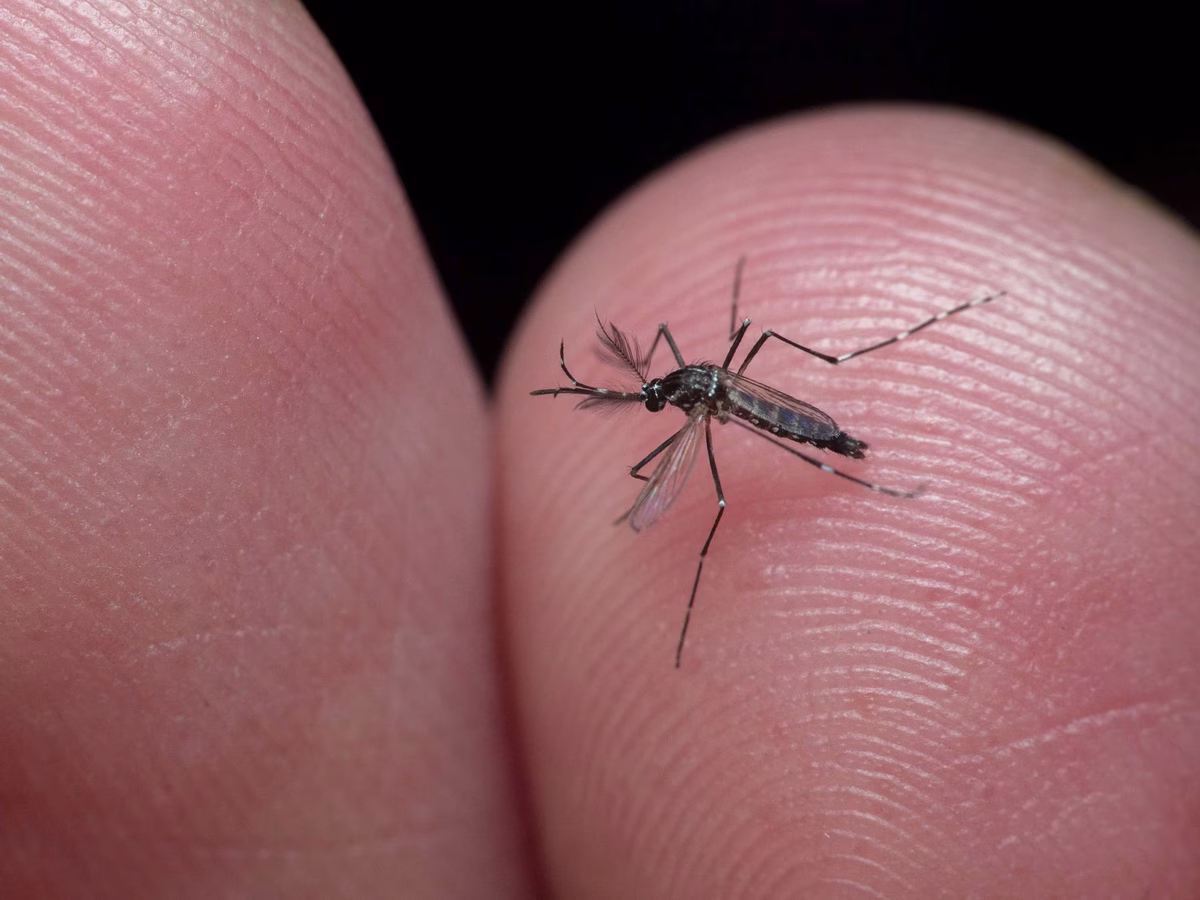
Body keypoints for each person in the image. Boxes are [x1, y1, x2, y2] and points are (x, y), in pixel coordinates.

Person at [3, 4, 1196, 897]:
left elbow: (675, 471)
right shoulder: (686, 382)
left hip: (779, 405)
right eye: (664, 400)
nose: (662, 415)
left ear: (674, 390)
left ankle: (878, 431)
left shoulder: (698, 407)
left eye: (658, 399)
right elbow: (673, 403)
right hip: (733, 384)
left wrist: (698, 468)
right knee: (729, 443)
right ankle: (871, 428)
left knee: (738, 476)